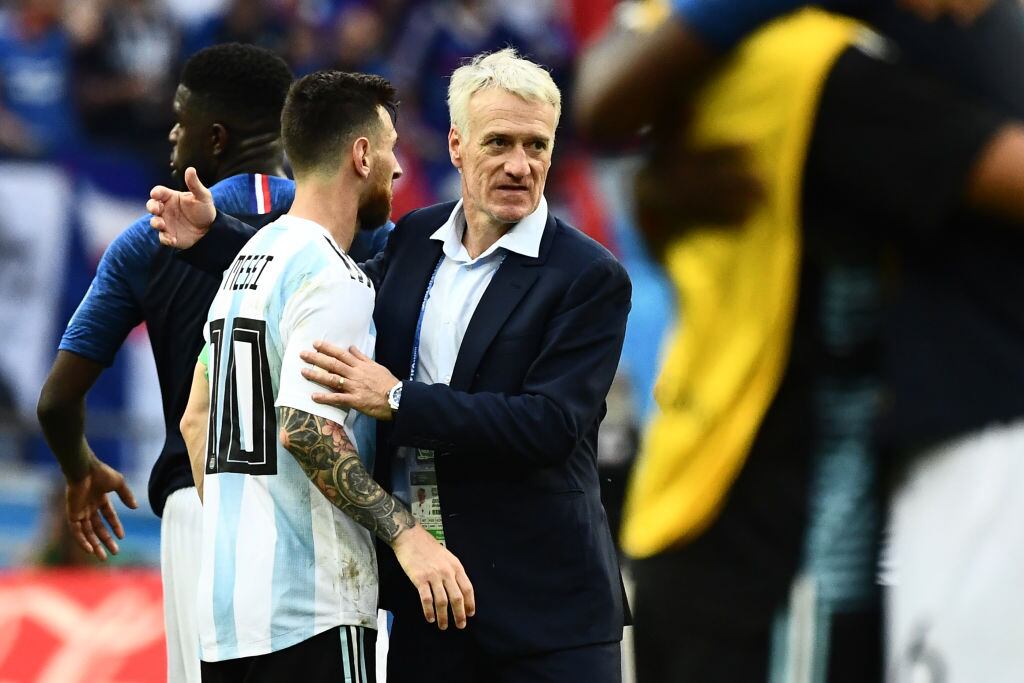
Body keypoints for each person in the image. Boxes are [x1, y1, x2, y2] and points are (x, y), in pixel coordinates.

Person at [574, 2, 1024, 681]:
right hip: (784, 540)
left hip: (697, 502)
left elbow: (608, 96)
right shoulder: (824, 72)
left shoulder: (740, 63)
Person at [150, 48, 631, 683]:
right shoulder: (413, 240)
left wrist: (400, 400)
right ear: (456, 145)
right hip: (427, 610)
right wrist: (218, 238)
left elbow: (549, 425)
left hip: (545, 616)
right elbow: (317, 281)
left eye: (537, 146)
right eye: (500, 143)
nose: (520, 165)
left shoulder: (589, 276)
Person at [163, 69, 473, 682]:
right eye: (389, 150)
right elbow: (305, 429)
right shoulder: (335, 278)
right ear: (361, 155)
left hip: (225, 618)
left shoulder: (246, 265)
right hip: (310, 614)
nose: (398, 169)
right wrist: (408, 537)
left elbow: (195, 419)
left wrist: (245, 518)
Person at [36, 43, 296, 683]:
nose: (171, 131)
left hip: (197, 501)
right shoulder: (346, 225)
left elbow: (56, 402)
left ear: (214, 138)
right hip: (319, 496)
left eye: (181, 118)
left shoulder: (145, 240)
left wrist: (81, 469)